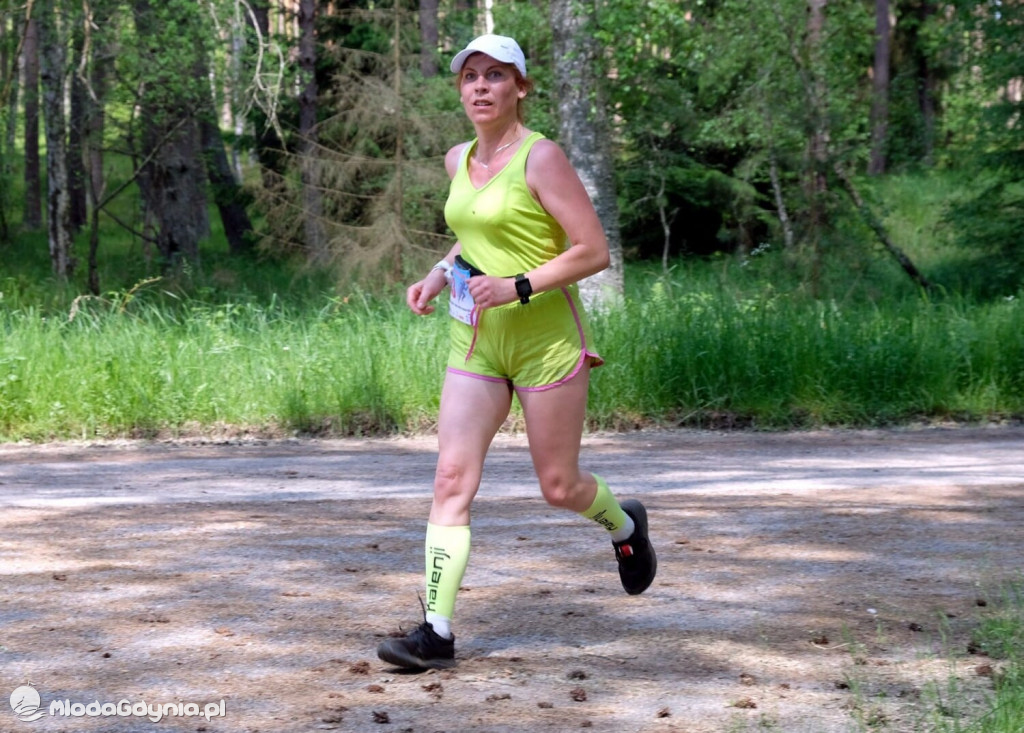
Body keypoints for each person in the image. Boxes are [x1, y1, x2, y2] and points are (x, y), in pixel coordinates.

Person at [376, 33, 656, 670]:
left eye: (496, 75)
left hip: (545, 341)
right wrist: (438, 274)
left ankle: (624, 526)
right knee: (451, 477)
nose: (481, 86)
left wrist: (518, 286)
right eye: (470, 76)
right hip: (476, 340)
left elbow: (592, 250)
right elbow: (473, 236)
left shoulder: (541, 157)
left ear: (520, 87)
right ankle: (436, 632)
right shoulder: (457, 159)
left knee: (559, 486)